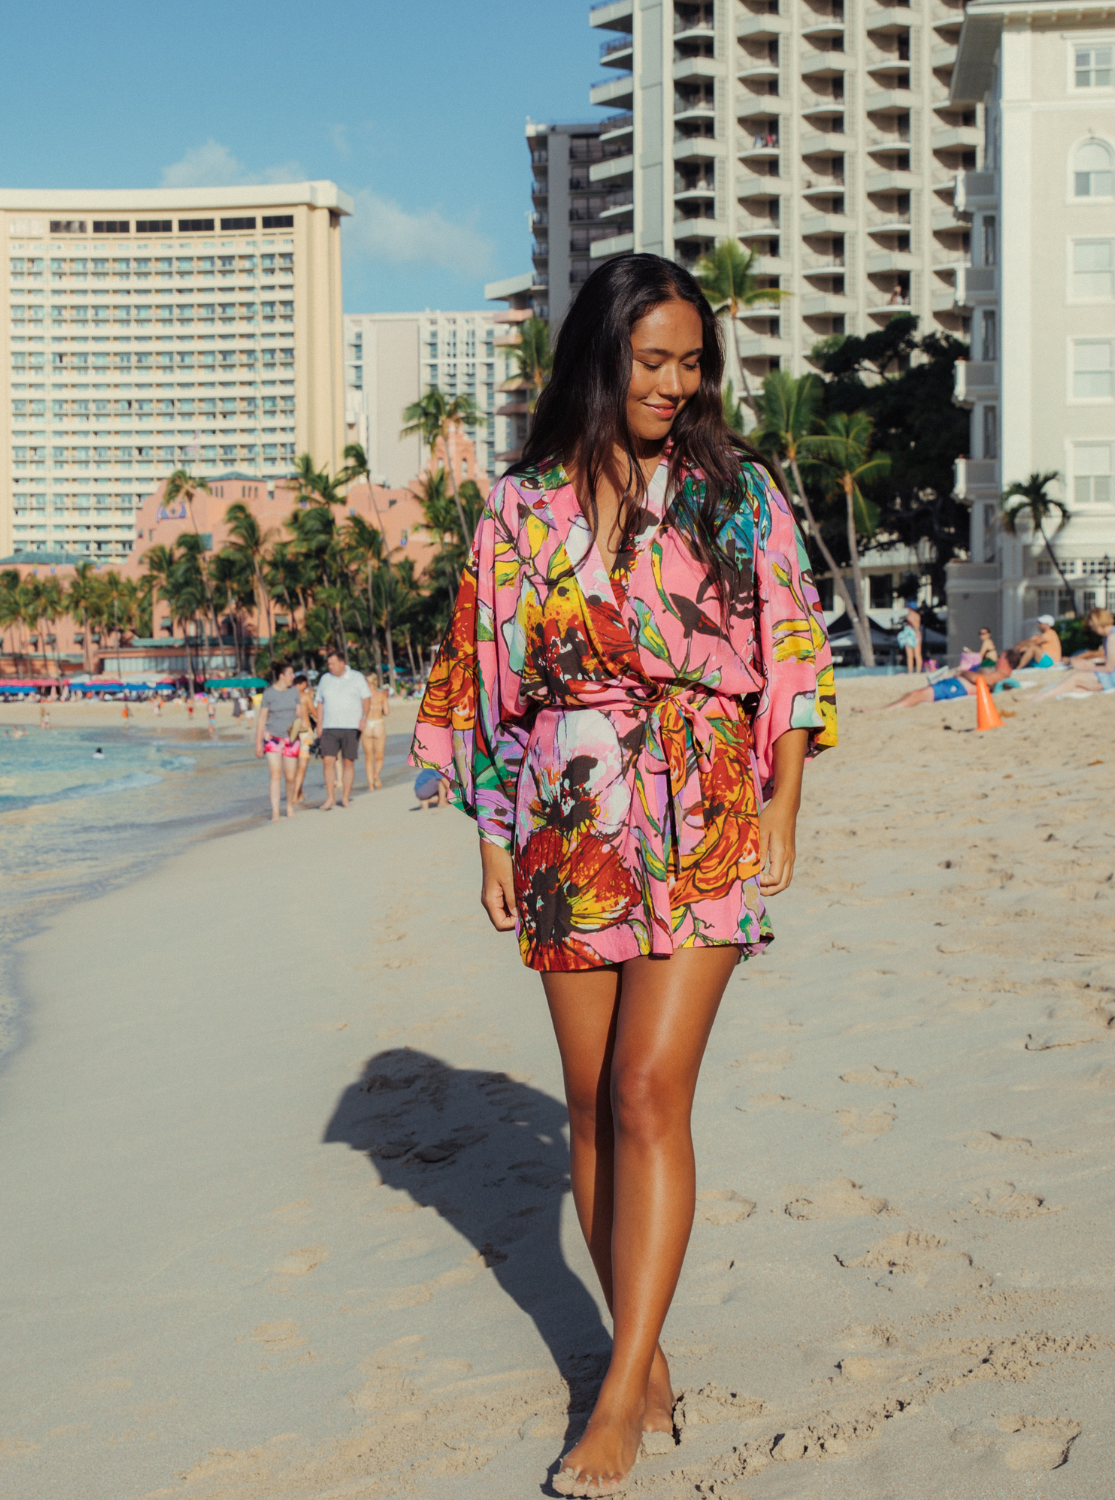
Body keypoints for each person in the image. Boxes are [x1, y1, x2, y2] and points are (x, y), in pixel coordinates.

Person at [408, 253, 835, 1497]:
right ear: (601, 356)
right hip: (567, 811)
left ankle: (618, 1387)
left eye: (692, 363)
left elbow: (792, 643)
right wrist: (492, 834)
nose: (674, 383)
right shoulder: (519, 507)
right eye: (652, 360)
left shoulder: (733, 490)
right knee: (592, 1102)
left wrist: (784, 802)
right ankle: (641, 1348)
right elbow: (481, 677)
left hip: (704, 802)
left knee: (651, 1090)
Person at [1033, 606, 1115, 700]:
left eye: (1093, 626)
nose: (1092, 630)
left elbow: (1109, 668)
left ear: (1098, 622)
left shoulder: (1114, 638)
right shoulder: (1110, 635)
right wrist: (1089, 665)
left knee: (1077, 677)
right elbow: (1113, 664)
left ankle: (1042, 697)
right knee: (1078, 688)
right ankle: (1043, 696)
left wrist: (1086, 667)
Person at [854, 653, 1016, 712]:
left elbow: (978, 680)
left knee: (916, 695)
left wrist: (963, 672)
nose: (998, 658)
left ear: (1006, 661)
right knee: (914, 694)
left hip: (957, 688)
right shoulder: (997, 673)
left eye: (1001, 657)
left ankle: (879, 711)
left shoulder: (999, 675)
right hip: (955, 686)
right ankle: (883, 709)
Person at [314, 646, 371, 809]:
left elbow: (366, 698)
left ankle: (345, 797)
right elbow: (320, 702)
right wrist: (319, 724)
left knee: (348, 762)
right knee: (328, 761)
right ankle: (330, 797)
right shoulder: (325, 679)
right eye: (328, 664)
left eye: (332, 664)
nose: (330, 667)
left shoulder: (356, 677)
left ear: (342, 663)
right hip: (329, 726)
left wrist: (364, 717)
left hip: (351, 726)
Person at [254, 661, 303, 822]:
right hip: (272, 739)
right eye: (290, 674)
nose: (293, 677)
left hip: (291, 739)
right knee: (275, 775)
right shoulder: (269, 693)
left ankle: (289, 806)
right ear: (282, 676)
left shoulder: (294, 691)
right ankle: (275, 812)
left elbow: (299, 714)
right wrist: (258, 744)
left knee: (290, 777)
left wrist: (299, 728)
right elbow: (262, 718)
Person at [361, 671, 390, 792]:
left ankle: (370, 785)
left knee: (368, 757)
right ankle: (376, 775)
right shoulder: (381, 695)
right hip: (378, 724)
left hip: (367, 725)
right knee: (379, 756)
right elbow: (386, 712)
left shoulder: (363, 697)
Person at [293, 675, 318, 804]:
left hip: (291, 733)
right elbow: (315, 712)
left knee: (294, 765)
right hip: (304, 732)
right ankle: (294, 795)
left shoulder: (287, 697)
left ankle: (299, 792)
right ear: (303, 684)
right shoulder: (305, 696)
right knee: (302, 766)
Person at [895, 600, 923, 675]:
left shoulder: (909, 616)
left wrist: (916, 631)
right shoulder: (918, 615)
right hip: (916, 634)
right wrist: (917, 633)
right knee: (917, 655)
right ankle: (918, 672)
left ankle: (910, 672)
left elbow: (914, 624)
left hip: (910, 635)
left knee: (910, 656)